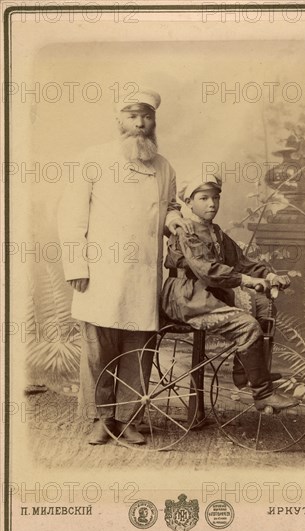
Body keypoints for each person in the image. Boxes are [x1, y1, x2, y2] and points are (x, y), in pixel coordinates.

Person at [58, 88, 192, 445]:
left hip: (143, 275)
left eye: (146, 116)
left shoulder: (164, 167)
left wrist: (175, 219)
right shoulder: (93, 158)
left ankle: (129, 418)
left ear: (153, 122)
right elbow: (72, 215)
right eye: (132, 116)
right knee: (98, 349)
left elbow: (168, 208)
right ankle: (101, 419)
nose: (139, 123)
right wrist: (76, 266)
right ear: (119, 120)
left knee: (138, 349)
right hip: (100, 273)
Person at [161, 173, 299, 411]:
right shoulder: (186, 231)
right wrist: (246, 281)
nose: (212, 204)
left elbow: (241, 261)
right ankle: (263, 393)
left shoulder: (215, 232)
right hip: (187, 298)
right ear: (189, 202)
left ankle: (245, 373)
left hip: (210, 295)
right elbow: (207, 270)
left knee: (265, 306)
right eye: (203, 198)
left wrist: (269, 275)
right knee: (247, 325)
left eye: (215, 198)